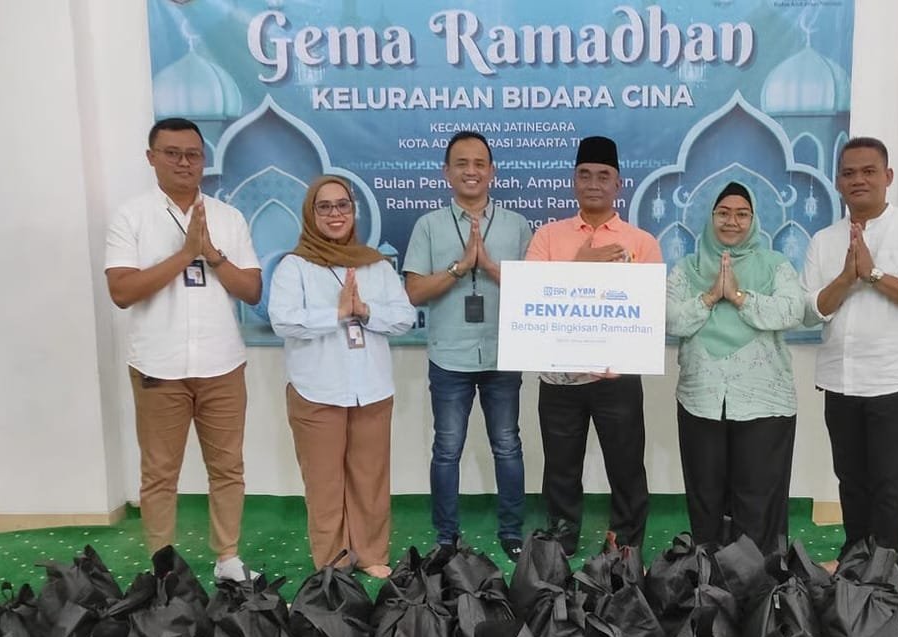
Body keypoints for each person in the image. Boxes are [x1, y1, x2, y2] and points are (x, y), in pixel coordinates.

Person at [104, 117, 263, 581]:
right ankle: (163, 567)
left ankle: (228, 559)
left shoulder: (228, 218)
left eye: (193, 154)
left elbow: (251, 290)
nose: (183, 163)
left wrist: (211, 253)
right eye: (172, 153)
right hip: (159, 366)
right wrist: (184, 254)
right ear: (151, 158)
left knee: (228, 468)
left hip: (222, 364)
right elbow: (122, 291)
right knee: (160, 473)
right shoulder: (132, 217)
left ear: (203, 160)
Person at [801, 137, 898, 572]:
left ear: (887, 177)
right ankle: (855, 565)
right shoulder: (823, 240)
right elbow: (809, 311)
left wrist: (873, 274)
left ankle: (887, 579)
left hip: (897, 380)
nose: (859, 180)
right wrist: (846, 278)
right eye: (849, 173)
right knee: (851, 482)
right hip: (840, 380)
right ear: (838, 182)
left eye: (869, 171)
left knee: (888, 485)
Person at [269, 175, 415, 578]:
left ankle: (370, 554)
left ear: (353, 211)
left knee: (370, 479)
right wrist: (336, 313)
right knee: (324, 484)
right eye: (325, 206)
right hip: (316, 390)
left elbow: (404, 317)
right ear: (311, 214)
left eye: (342, 205)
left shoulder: (375, 265)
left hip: (372, 389)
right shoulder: (295, 266)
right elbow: (283, 320)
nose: (335, 214)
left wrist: (365, 311)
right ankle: (332, 562)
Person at [524, 136, 662, 556]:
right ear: (573, 181)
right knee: (561, 465)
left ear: (618, 184)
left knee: (626, 465)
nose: (593, 183)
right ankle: (562, 543)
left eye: (603, 176)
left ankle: (626, 545)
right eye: (584, 175)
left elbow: (652, 308)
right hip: (560, 378)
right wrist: (578, 267)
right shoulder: (548, 237)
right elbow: (532, 296)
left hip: (616, 377)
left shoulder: (641, 242)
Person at [402, 131, 532, 562]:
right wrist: (460, 268)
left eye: (479, 163)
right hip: (449, 356)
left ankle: (511, 531)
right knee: (447, 449)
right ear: (447, 172)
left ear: (492, 171)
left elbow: (534, 292)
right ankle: (446, 537)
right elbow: (414, 292)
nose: (471, 171)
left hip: (503, 353)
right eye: (461, 163)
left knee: (507, 445)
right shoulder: (428, 225)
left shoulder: (516, 225)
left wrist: (489, 267)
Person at [666, 181, 804, 554]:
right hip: (701, 395)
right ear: (710, 217)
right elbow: (668, 318)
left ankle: (758, 575)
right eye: (723, 213)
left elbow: (793, 310)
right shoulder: (688, 267)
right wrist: (712, 295)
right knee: (705, 492)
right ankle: (708, 572)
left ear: (754, 219)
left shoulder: (775, 264)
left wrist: (739, 297)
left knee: (758, 494)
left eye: (742, 214)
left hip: (763, 398)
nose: (732, 221)